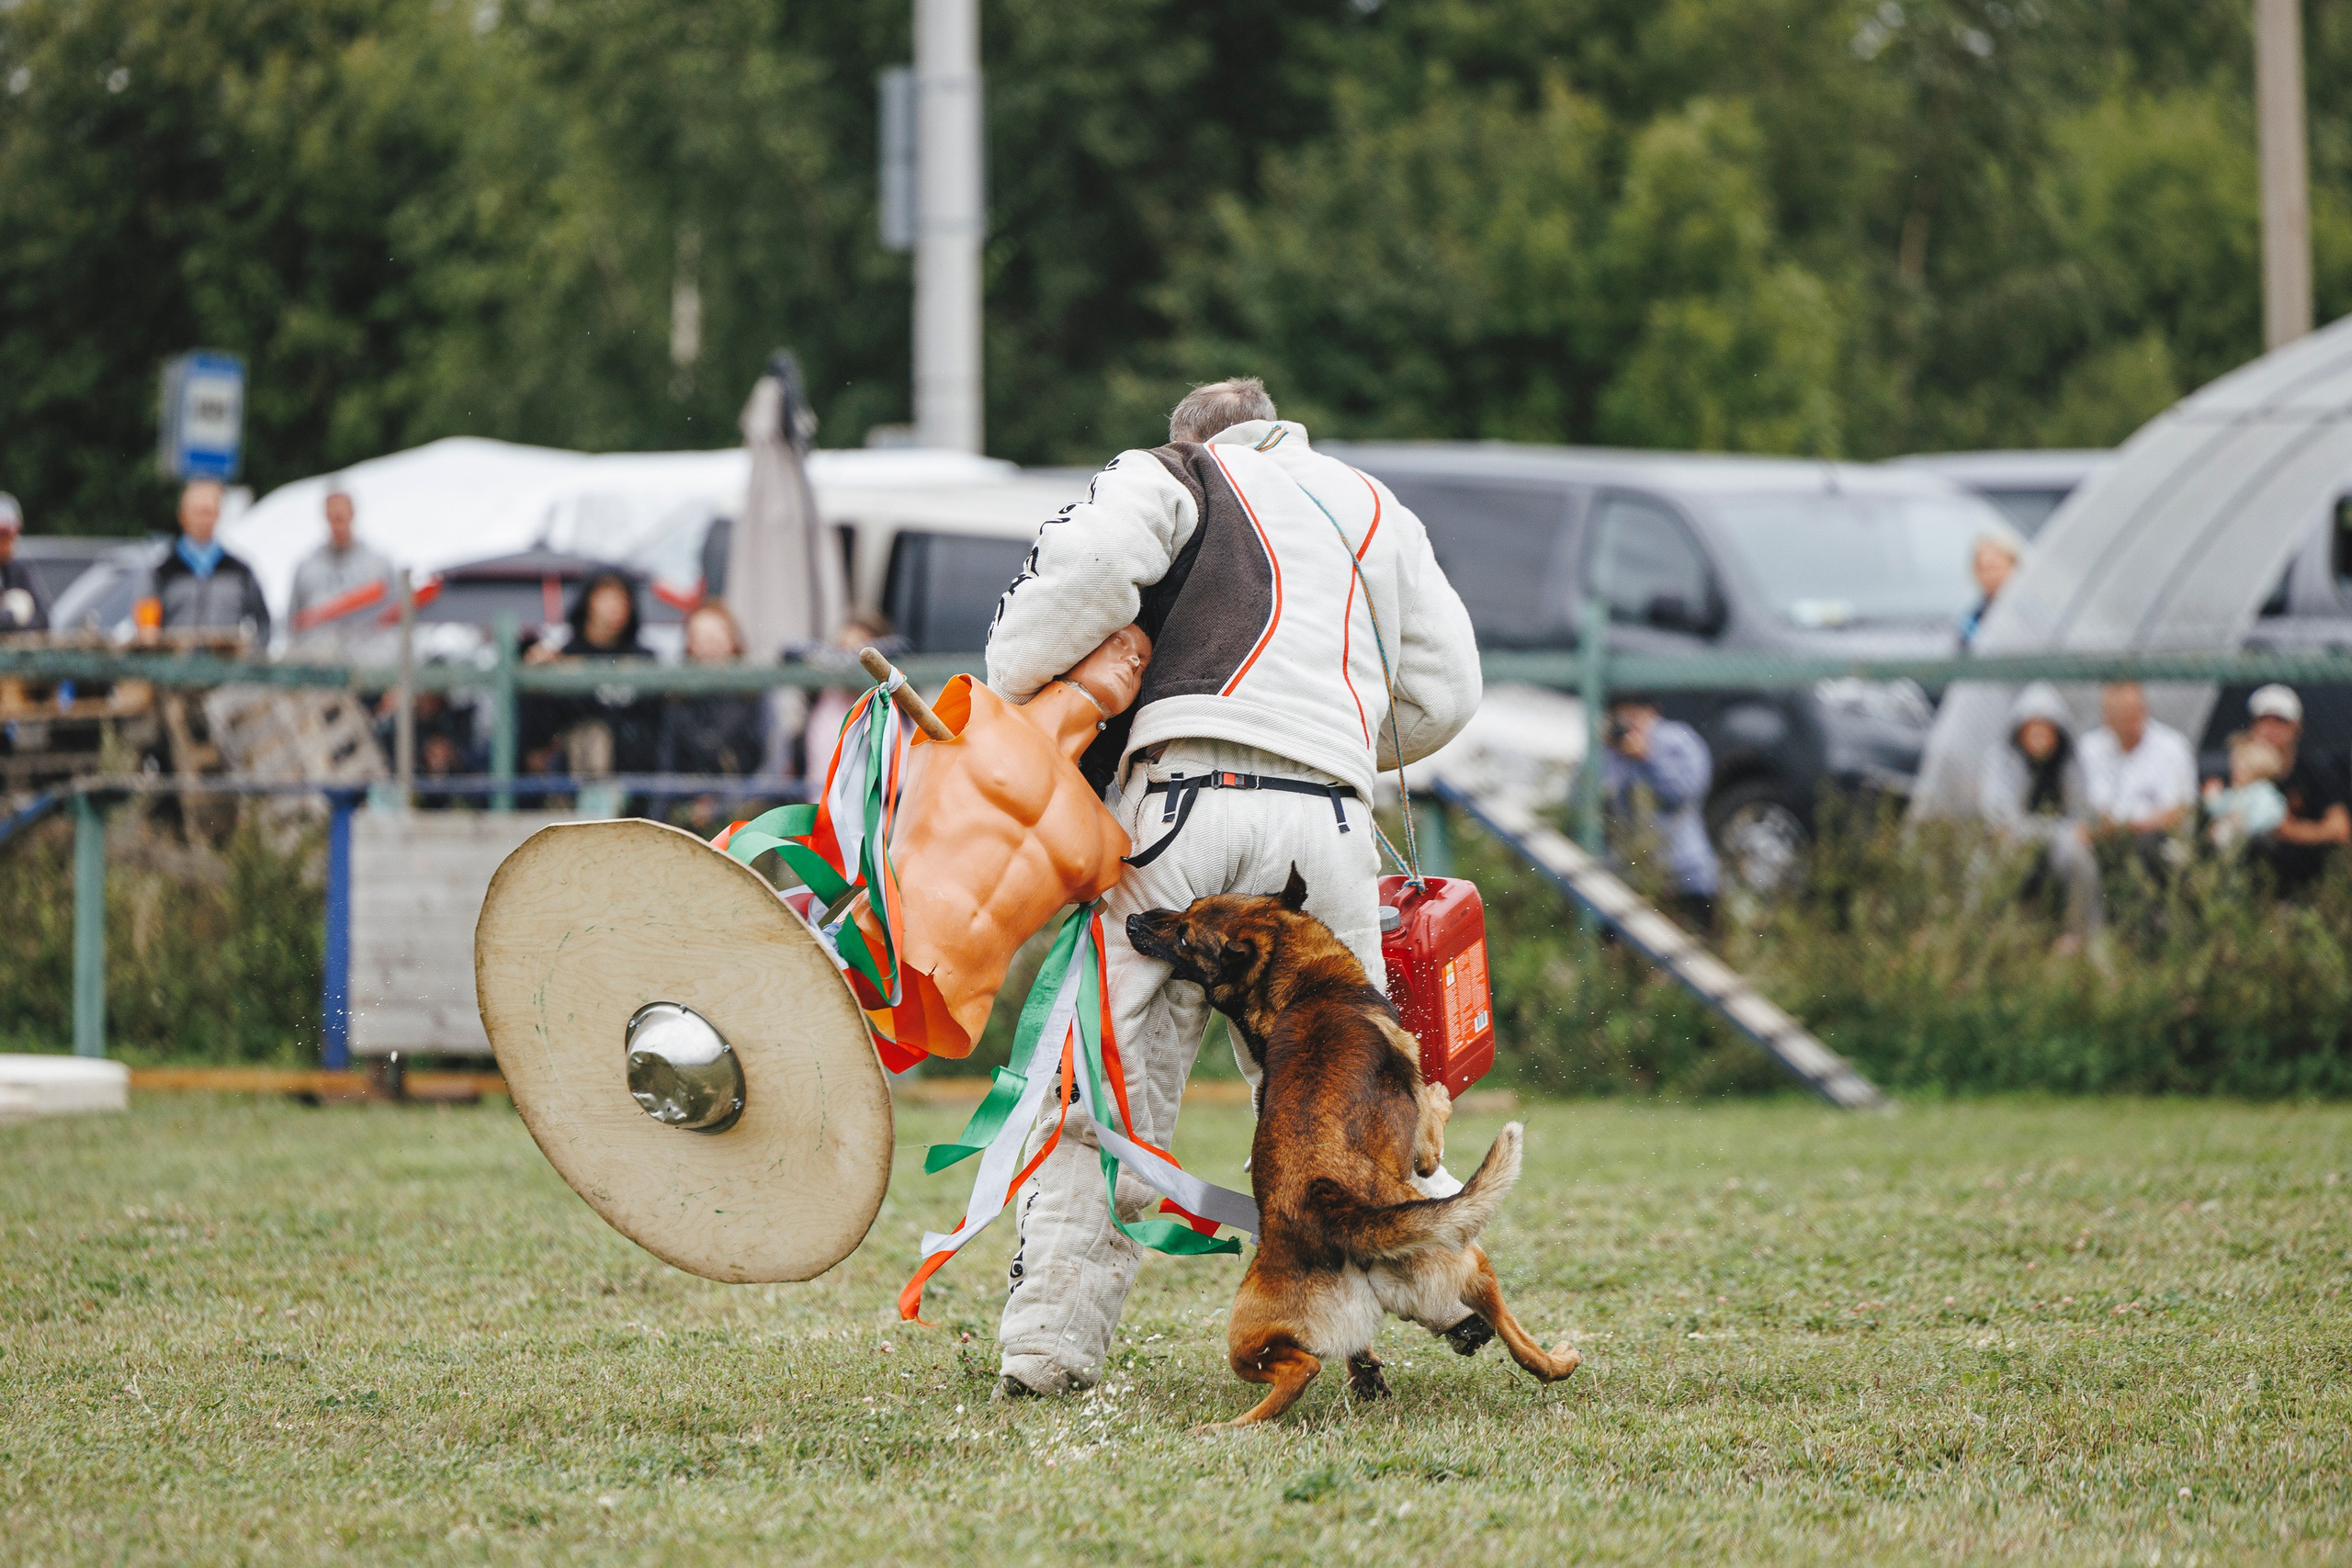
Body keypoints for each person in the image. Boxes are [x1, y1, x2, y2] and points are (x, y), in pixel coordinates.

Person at [980, 375, 1482, 1399]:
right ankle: (1440, 1299)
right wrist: (1328, 735)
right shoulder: (1370, 502)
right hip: (1332, 825)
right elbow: (1445, 692)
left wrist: (1017, 689)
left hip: (1183, 804)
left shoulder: (1173, 474)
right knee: (1351, 1099)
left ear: (1190, 435)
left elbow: (1074, 578)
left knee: (1109, 1091)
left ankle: (1048, 1352)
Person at [1978, 682, 2102, 947]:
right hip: (2017, 836)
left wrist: (2081, 827)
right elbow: (1996, 811)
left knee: (2076, 855)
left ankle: (2078, 934)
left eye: (2044, 728)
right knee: (1993, 864)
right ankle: (1989, 933)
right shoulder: (2002, 759)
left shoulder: (2071, 762)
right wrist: (2007, 829)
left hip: (2061, 837)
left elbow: (2083, 809)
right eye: (2031, 728)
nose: (2038, 736)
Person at [1600, 694, 1721, 930]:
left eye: (1634, 717)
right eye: (1621, 718)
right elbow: (1594, 801)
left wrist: (1647, 757)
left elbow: (1683, 792)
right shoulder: (1612, 750)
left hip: (1685, 875)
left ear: (1652, 713)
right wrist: (1606, 753)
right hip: (1631, 876)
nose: (1629, 725)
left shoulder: (1676, 740)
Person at [523, 570, 657, 777]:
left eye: (622, 598)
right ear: (588, 601)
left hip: (634, 769)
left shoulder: (645, 658)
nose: (615, 606)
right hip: (574, 768)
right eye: (606, 597)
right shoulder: (562, 655)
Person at [657, 602, 770, 812]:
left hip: (745, 807)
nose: (710, 644)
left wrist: (722, 805)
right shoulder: (677, 698)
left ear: (733, 640)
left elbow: (768, 762)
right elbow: (667, 765)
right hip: (687, 807)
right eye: (701, 637)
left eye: (717, 634)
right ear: (689, 645)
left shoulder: (754, 694)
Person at [2240, 684, 2349, 896]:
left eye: (2280, 721)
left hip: (2306, 877)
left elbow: (2340, 829)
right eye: (2263, 720)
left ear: (2296, 728)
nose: (2270, 729)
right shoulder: (2239, 774)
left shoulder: (2317, 773)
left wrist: (2288, 831)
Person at [147, 479, 270, 640]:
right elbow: (147, 626)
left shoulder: (239, 571)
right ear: (183, 516)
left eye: (208, 511)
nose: (203, 520)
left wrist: (251, 656)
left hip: (225, 664)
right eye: (197, 512)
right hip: (175, 663)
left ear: (218, 514)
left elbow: (263, 622)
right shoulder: (163, 572)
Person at [2078, 682, 2197, 838]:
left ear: (2144, 710)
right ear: (2106, 716)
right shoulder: (2088, 748)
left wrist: (2124, 828)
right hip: (2099, 841)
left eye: (2133, 711)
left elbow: (2179, 811)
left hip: (2155, 840)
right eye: (2121, 714)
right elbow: (2080, 809)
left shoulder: (2173, 747)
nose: (2129, 721)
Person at [288, 483, 392, 649]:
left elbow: (394, 618)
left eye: (341, 516)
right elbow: (293, 624)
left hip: (366, 662)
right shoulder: (308, 568)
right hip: (318, 663)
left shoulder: (378, 566)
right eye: (332, 517)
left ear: (352, 514)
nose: (337, 525)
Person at [2204, 733, 2289, 853]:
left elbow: (2272, 815)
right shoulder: (2235, 791)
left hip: (2252, 847)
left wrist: (2242, 823)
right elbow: (2220, 808)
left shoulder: (2263, 793)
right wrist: (2212, 798)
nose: (2233, 769)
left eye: (2239, 765)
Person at [1958, 520, 2026, 649]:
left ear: (2014, 565)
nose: (1988, 576)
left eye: (1994, 567)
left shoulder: (2027, 614)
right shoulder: (1973, 617)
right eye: (1982, 568)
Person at [0, 493, 50, 633]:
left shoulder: (18, 570)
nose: (6, 542)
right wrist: (12, 617)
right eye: (1, 535)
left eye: (9, 535)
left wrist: (16, 623)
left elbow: (43, 619)